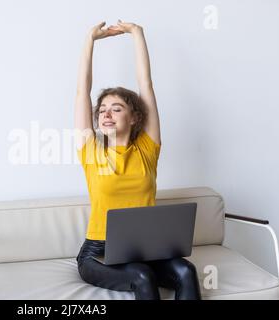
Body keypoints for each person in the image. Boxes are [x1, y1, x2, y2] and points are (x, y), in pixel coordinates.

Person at [74, 20, 202, 300]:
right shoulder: (91, 150)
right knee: (141, 275)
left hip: (146, 250)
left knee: (186, 271)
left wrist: (137, 34)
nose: (106, 114)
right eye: (103, 110)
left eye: (116, 108)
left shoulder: (147, 149)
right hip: (99, 253)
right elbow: (82, 91)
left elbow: (146, 85)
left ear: (134, 118)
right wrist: (89, 40)